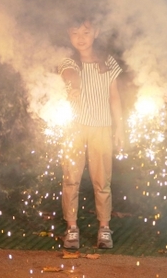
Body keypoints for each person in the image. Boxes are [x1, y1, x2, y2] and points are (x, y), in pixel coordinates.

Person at [58, 16, 124, 249]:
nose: (80, 38)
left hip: (102, 127)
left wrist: (120, 127)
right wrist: (73, 88)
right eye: (75, 33)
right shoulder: (68, 62)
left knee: (102, 179)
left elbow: (114, 97)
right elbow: (70, 75)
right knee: (71, 178)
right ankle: (72, 228)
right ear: (68, 34)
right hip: (75, 128)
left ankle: (104, 228)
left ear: (95, 32)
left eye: (85, 32)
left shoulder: (108, 63)